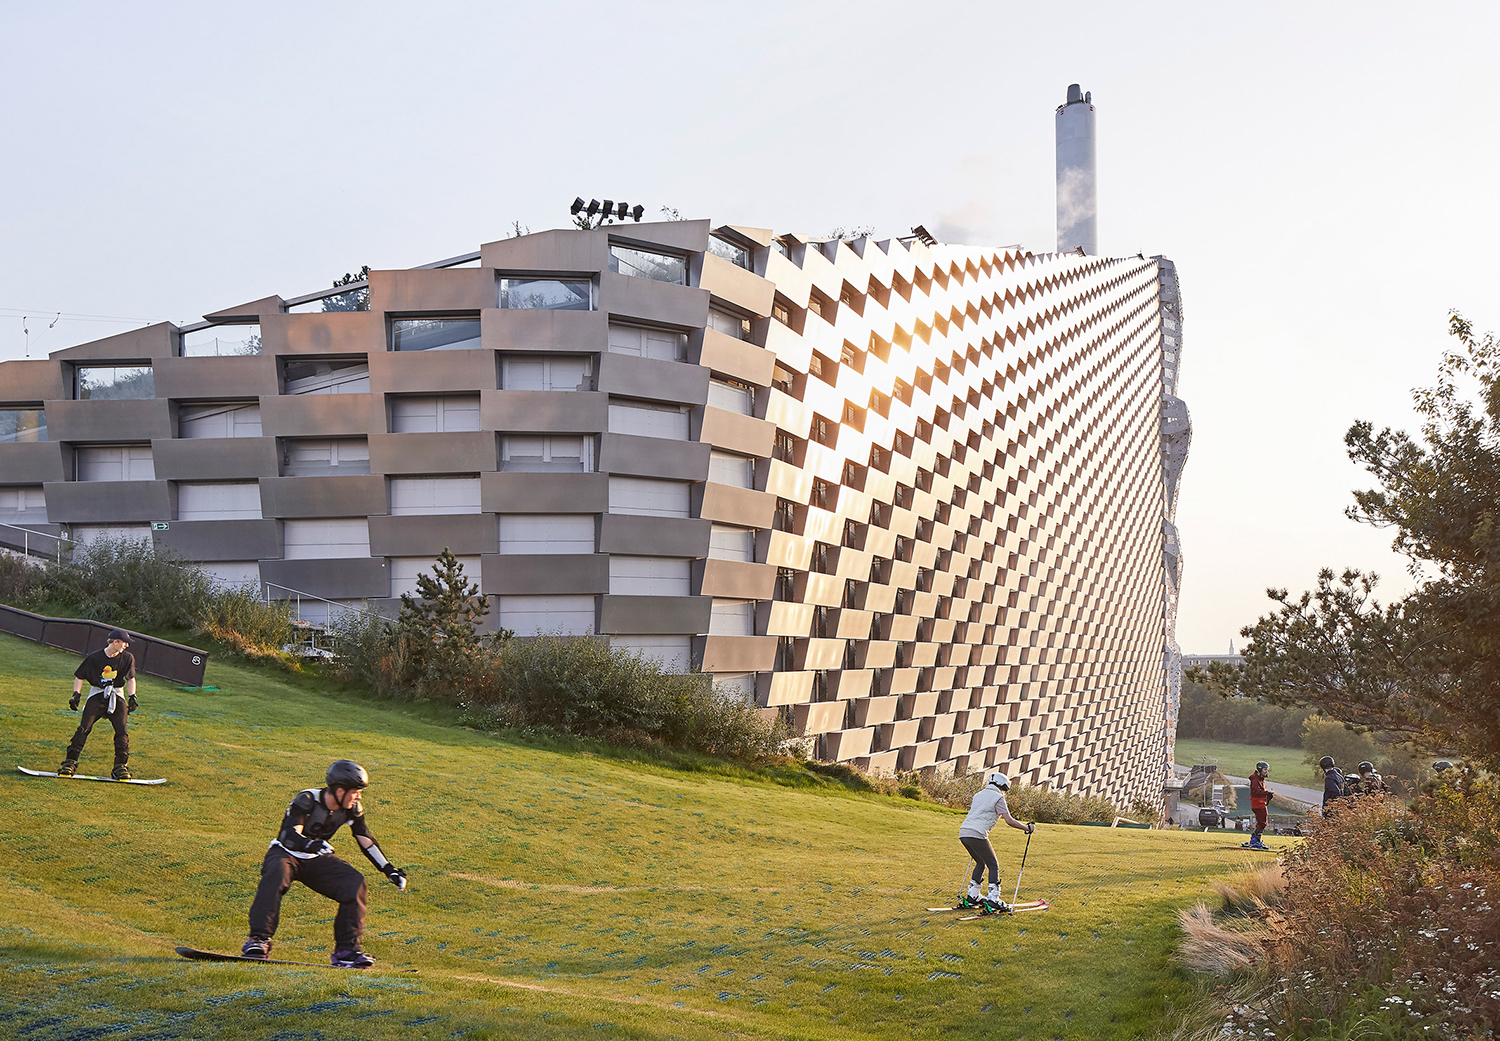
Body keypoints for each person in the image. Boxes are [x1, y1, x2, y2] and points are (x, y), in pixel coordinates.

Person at [243, 760, 408, 968]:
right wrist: (311, 844)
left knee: (354, 883)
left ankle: (347, 952)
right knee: (276, 874)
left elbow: (365, 839)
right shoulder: (307, 799)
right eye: (356, 791)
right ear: (340, 790)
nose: (358, 796)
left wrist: (389, 869)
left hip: (315, 859)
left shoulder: (352, 809)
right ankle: (259, 940)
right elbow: (289, 835)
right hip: (286, 854)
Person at [59, 628, 138, 780]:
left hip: (116, 694)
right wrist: (76, 694)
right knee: (84, 728)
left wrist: (132, 696)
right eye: (124, 643)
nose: (126, 646)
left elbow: (131, 678)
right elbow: (79, 676)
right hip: (97, 693)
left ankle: (120, 766)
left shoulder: (128, 658)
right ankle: (70, 762)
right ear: (115, 642)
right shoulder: (95, 658)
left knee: (122, 731)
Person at [957, 772, 1034, 913]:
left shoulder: (978, 795)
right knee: (993, 865)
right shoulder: (998, 798)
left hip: (964, 833)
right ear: (1002, 786)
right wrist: (1026, 828)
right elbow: (1009, 820)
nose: (1004, 792)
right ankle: (993, 900)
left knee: (980, 862)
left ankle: (973, 897)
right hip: (978, 834)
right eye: (1005, 789)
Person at [1243, 761, 1274, 849]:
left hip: (1261, 803)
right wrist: (1267, 793)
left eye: (1267, 770)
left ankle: (1256, 840)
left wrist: (1267, 795)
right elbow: (1255, 792)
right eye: (1264, 769)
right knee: (1262, 823)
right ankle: (1254, 841)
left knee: (1263, 822)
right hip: (1258, 803)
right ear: (1260, 769)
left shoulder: (1260, 778)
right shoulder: (1255, 779)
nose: (1266, 771)